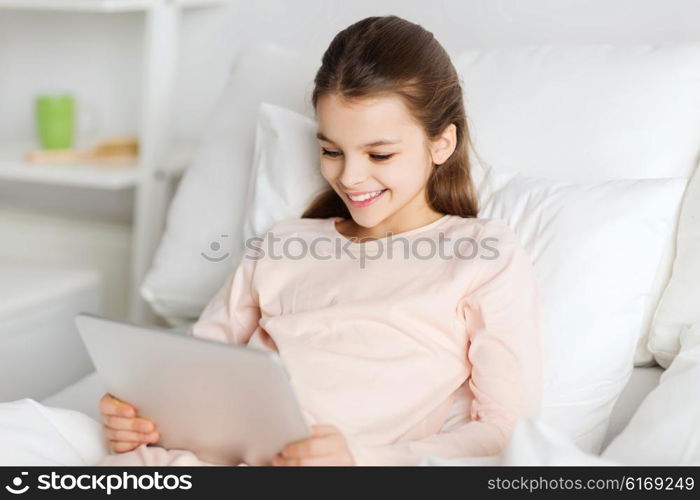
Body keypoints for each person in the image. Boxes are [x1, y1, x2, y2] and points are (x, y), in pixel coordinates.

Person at [97, 15, 543, 467]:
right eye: (331, 151)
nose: (348, 177)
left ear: (442, 144)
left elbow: (505, 430)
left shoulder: (481, 254)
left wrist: (362, 460)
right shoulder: (284, 243)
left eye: (379, 154)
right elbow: (191, 370)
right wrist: (137, 416)